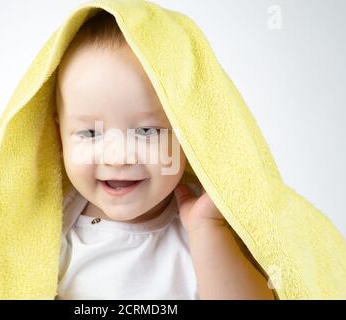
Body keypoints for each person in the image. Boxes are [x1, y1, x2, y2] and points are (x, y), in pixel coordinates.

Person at [53, 11, 275, 300]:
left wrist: (207, 230)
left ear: (189, 132)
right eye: (91, 134)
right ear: (59, 136)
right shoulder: (53, 227)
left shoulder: (206, 221)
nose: (118, 157)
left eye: (146, 131)